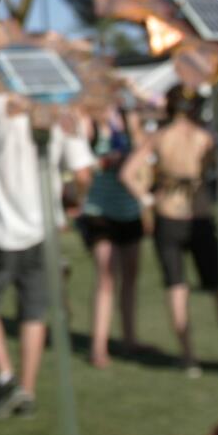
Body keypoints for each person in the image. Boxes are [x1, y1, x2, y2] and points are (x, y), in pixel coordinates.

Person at [0, 85, 91, 419]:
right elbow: (82, 173)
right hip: (41, 228)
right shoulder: (62, 110)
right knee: (33, 311)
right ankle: (25, 388)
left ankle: (6, 377)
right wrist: (73, 201)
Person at [124, 87, 218, 375]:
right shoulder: (205, 138)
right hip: (199, 214)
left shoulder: (160, 137)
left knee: (176, 286)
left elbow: (127, 174)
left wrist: (148, 198)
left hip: (168, 215)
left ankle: (188, 356)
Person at [78, 108, 146, 369]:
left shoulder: (129, 120)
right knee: (106, 280)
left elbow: (142, 156)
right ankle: (98, 347)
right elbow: (80, 165)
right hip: (100, 212)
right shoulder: (90, 122)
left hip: (129, 210)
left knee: (130, 279)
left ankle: (130, 339)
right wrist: (106, 162)